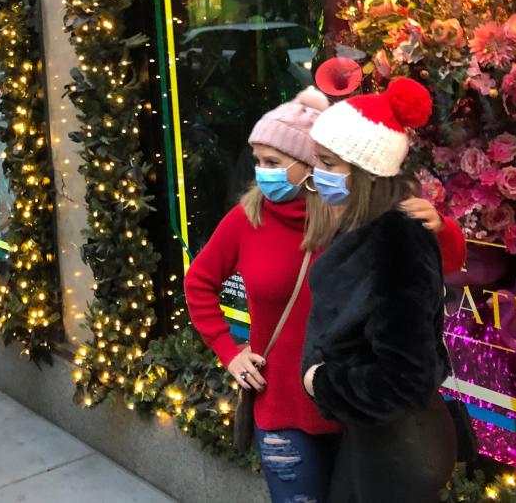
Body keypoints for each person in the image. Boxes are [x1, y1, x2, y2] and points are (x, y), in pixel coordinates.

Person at [184, 88, 464, 503]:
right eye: (257, 161)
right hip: (284, 410)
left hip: (357, 416)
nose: (262, 173)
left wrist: (440, 226)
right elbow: (199, 282)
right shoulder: (248, 216)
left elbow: (435, 267)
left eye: (274, 162)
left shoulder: (352, 215)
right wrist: (229, 350)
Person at [301, 78, 455, 503]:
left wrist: (325, 383)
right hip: (375, 444)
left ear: (366, 173)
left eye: (330, 164)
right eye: (318, 161)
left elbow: (405, 378)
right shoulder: (363, 227)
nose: (319, 174)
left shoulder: (394, 238)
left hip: (395, 454)